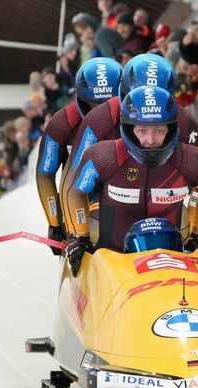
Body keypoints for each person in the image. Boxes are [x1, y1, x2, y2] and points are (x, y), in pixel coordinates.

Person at [62, 86, 198, 274]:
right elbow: (75, 193)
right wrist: (79, 237)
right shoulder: (101, 157)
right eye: (142, 131)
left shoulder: (193, 161)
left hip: (172, 255)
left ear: (171, 129)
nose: (150, 140)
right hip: (112, 255)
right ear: (129, 129)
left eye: (159, 130)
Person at [58, 54, 198, 241]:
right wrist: (76, 233)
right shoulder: (99, 119)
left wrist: (196, 233)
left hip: (163, 202)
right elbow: (74, 178)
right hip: (110, 200)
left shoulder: (186, 123)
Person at [36, 57, 123, 255]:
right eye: (95, 105)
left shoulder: (136, 118)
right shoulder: (62, 124)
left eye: (110, 103)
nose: (103, 112)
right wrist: (55, 224)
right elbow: (45, 174)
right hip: (80, 193)